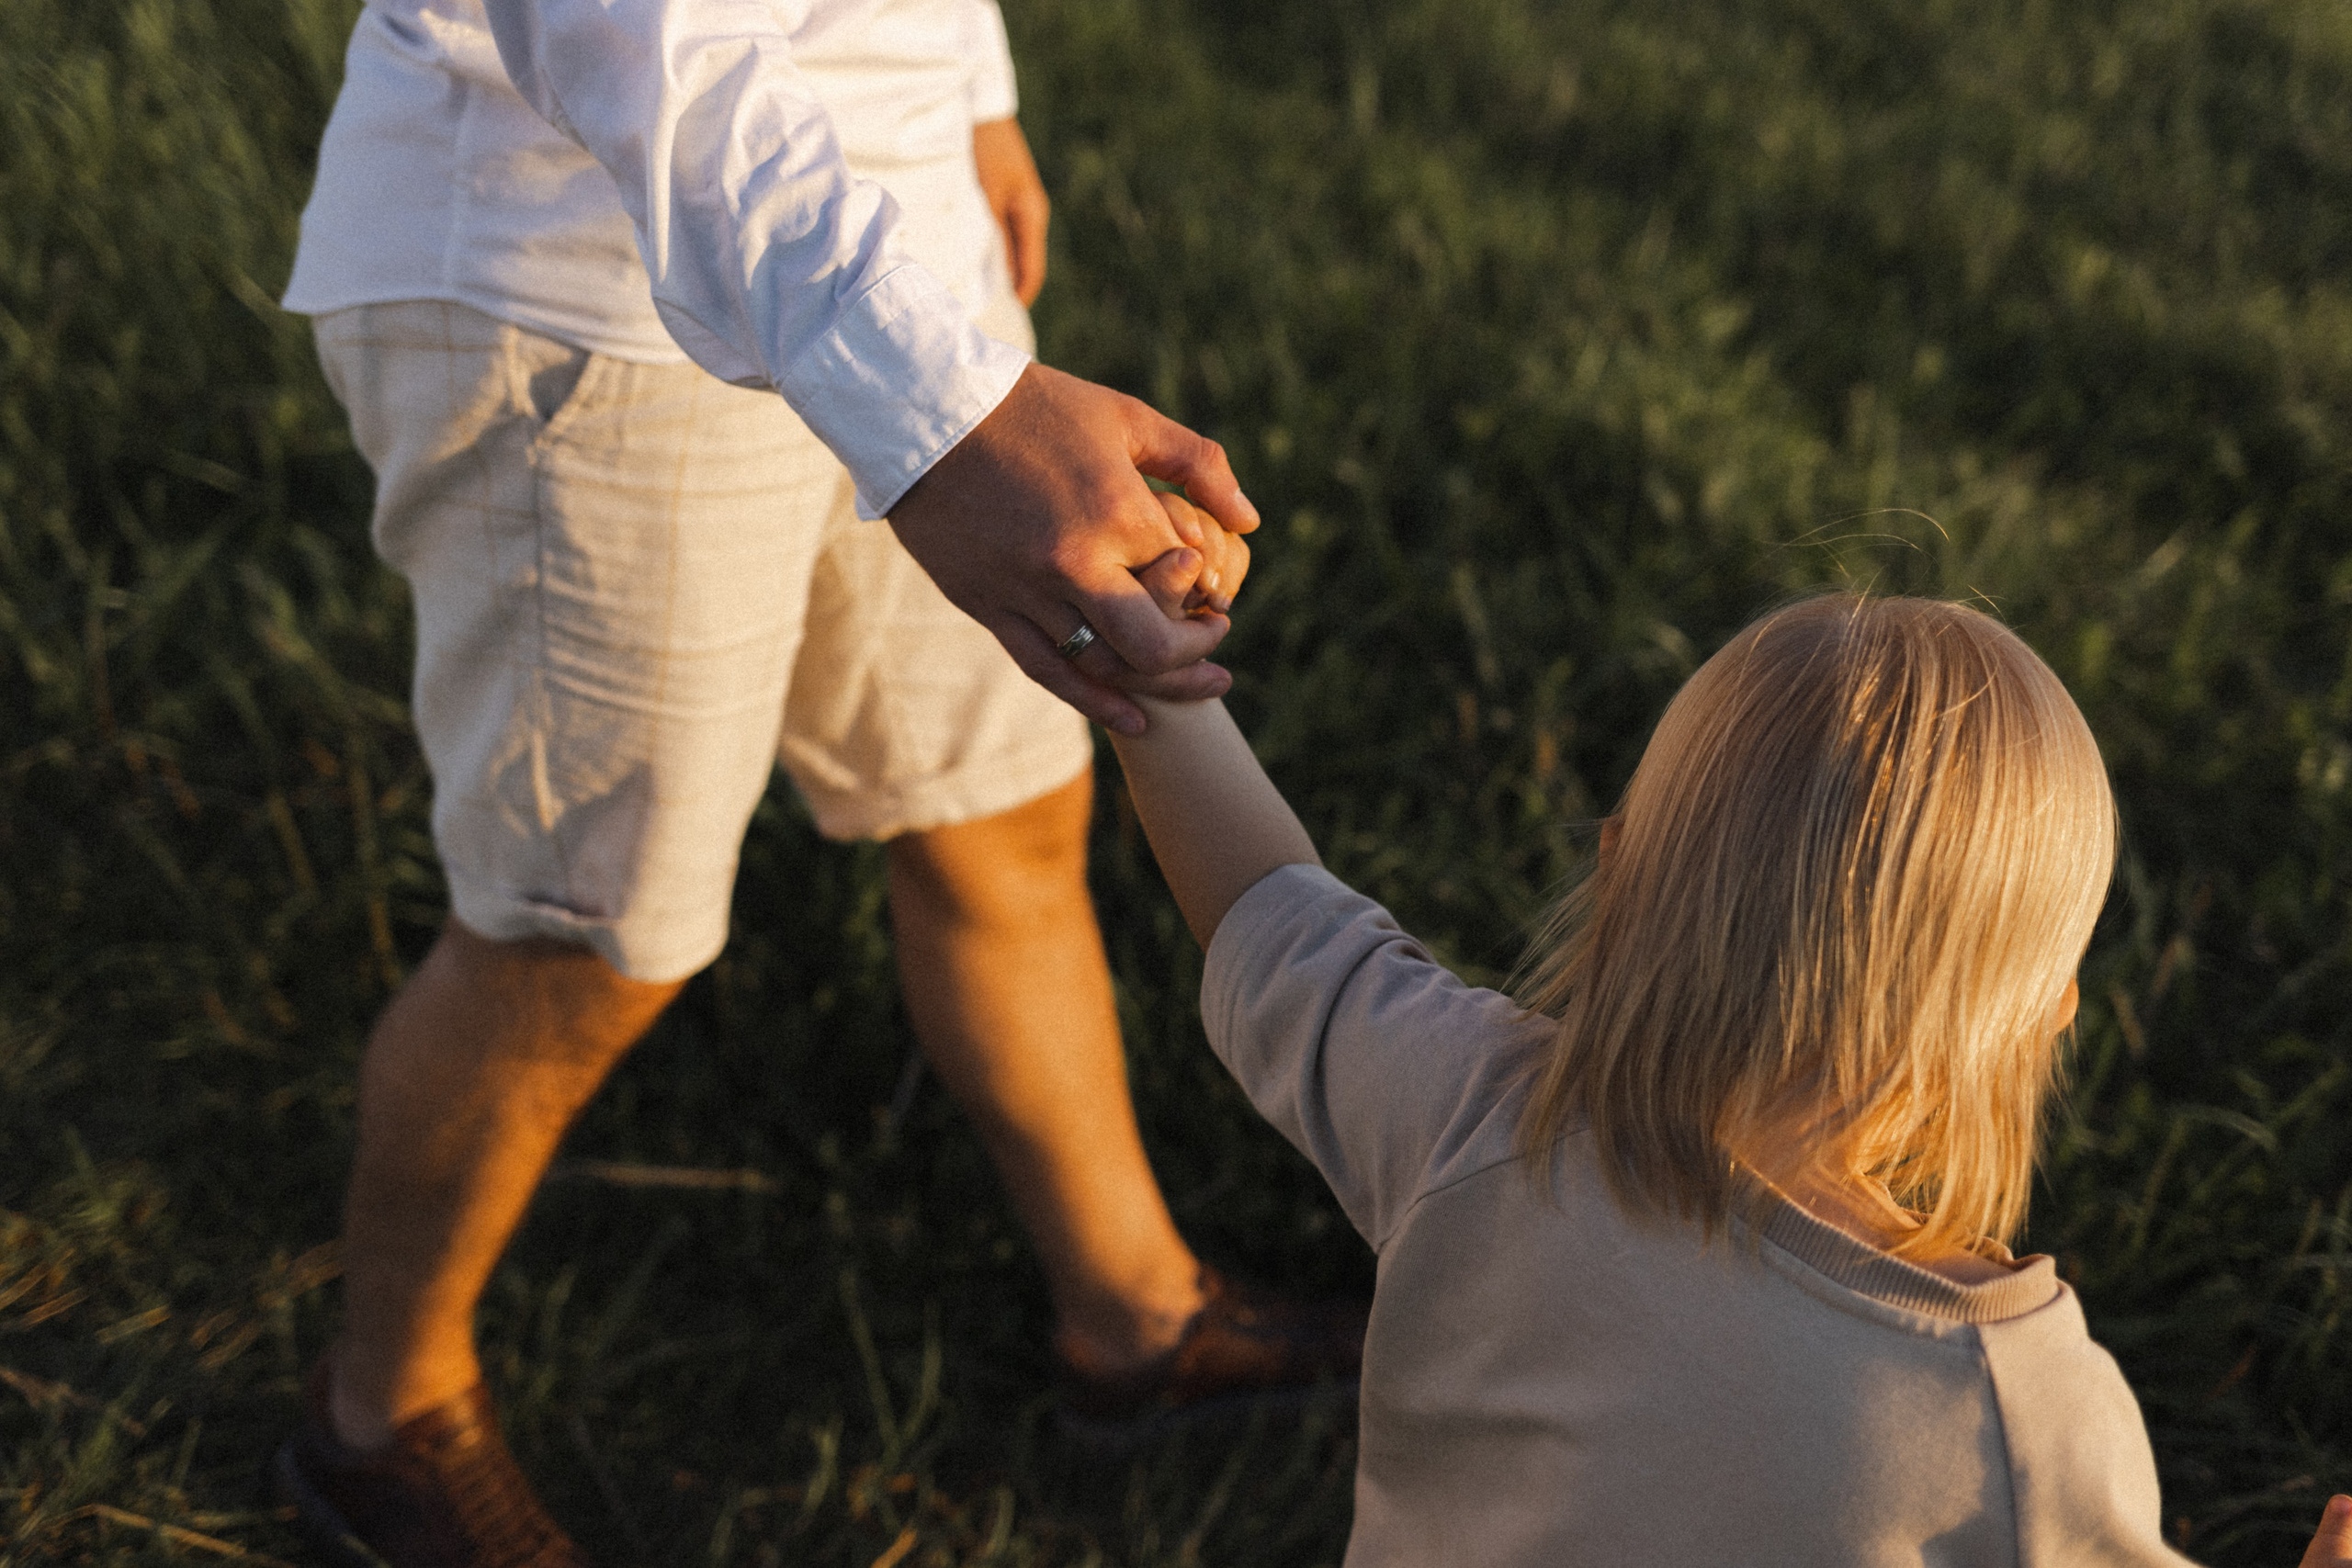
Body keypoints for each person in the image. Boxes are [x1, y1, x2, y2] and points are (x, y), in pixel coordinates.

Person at [266, 2, 1357, 1563]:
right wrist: (945, 413)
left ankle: (1135, 1317)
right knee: (586, 935)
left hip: (895, 270)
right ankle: (383, 1412)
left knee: (1000, 816)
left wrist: (963, 86)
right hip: (585, 276)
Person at [1103, 578, 2352, 1566]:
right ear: (2044, 1018)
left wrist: (1154, 672)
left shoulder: (1471, 1115)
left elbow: (1271, 911)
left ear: (1617, 870)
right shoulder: (2017, 1406)